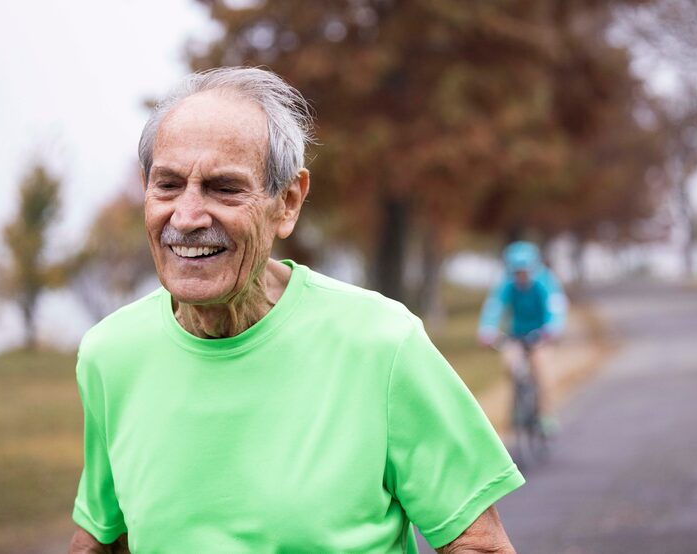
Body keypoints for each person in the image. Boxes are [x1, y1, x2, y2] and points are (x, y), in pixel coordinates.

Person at [69, 67, 524, 554]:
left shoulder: (382, 344)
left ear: (287, 203)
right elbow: (103, 538)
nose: (187, 216)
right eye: (168, 185)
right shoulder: (109, 355)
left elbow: (479, 544)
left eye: (224, 188)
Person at [477, 241, 568, 429]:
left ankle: (546, 415)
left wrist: (551, 330)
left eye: (524, 271)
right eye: (517, 272)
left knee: (543, 373)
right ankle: (517, 406)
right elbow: (494, 308)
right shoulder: (507, 284)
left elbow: (555, 308)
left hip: (541, 335)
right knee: (510, 364)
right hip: (516, 335)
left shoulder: (545, 281)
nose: (521, 276)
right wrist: (487, 330)